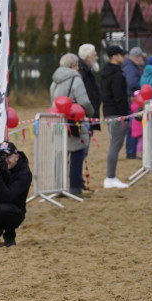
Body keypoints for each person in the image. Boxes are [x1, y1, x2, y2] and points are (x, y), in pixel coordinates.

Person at [51, 53, 95, 195]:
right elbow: (84, 102)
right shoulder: (76, 80)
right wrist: (90, 112)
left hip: (58, 122)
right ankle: (75, 188)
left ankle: (58, 187)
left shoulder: (55, 80)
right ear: (73, 66)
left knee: (60, 155)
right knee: (77, 153)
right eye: (77, 65)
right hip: (74, 122)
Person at [98, 45, 131, 188]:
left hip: (110, 112)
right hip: (117, 114)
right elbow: (120, 97)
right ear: (114, 56)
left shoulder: (108, 72)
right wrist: (126, 115)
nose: (124, 57)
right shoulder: (116, 75)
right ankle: (110, 177)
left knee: (115, 144)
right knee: (115, 145)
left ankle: (110, 177)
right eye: (121, 54)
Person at [123, 47, 146, 159]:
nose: (142, 60)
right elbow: (132, 84)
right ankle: (131, 151)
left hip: (130, 99)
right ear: (137, 57)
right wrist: (142, 86)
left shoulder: (130, 67)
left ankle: (131, 150)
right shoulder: (131, 68)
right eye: (141, 57)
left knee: (132, 126)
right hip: (132, 100)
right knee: (133, 126)